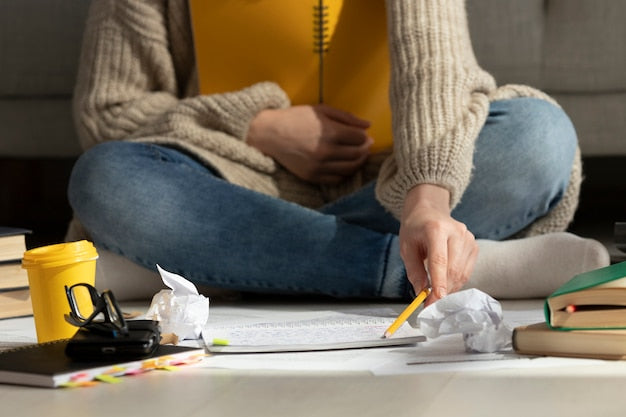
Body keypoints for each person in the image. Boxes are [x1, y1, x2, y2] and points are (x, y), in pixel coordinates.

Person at [67, 0, 608, 305]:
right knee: (105, 177)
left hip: (394, 190)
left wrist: (426, 205)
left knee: (539, 136)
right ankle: (440, 269)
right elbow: (110, 109)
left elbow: (437, 71)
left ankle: (214, 268)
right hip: (231, 185)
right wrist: (259, 126)